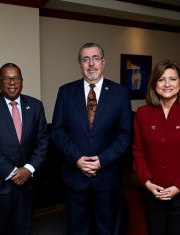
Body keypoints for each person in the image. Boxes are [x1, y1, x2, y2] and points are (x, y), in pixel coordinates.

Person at [51, 42, 132, 234]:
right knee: (77, 229)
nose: (91, 64)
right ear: (79, 63)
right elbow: (58, 131)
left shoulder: (120, 93)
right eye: (86, 59)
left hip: (107, 177)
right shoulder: (65, 92)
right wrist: (78, 159)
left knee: (107, 228)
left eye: (95, 58)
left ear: (103, 62)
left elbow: (125, 134)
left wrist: (101, 160)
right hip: (75, 176)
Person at [132, 60, 180, 235]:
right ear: (154, 84)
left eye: (172, 79)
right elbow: (138, 152)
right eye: (161, 79)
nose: (167, 84)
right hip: (154, 193)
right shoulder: (142, 113)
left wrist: (178, 187)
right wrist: (147, 182)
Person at [0, 63, 49, 235]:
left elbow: (43, 140)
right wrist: (13, 172)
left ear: (22, 81)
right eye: (6, 79)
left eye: (15, 78)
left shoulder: (36, 106)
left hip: (27, 183)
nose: (11, 83)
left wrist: (28, 169)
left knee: (23, 229)